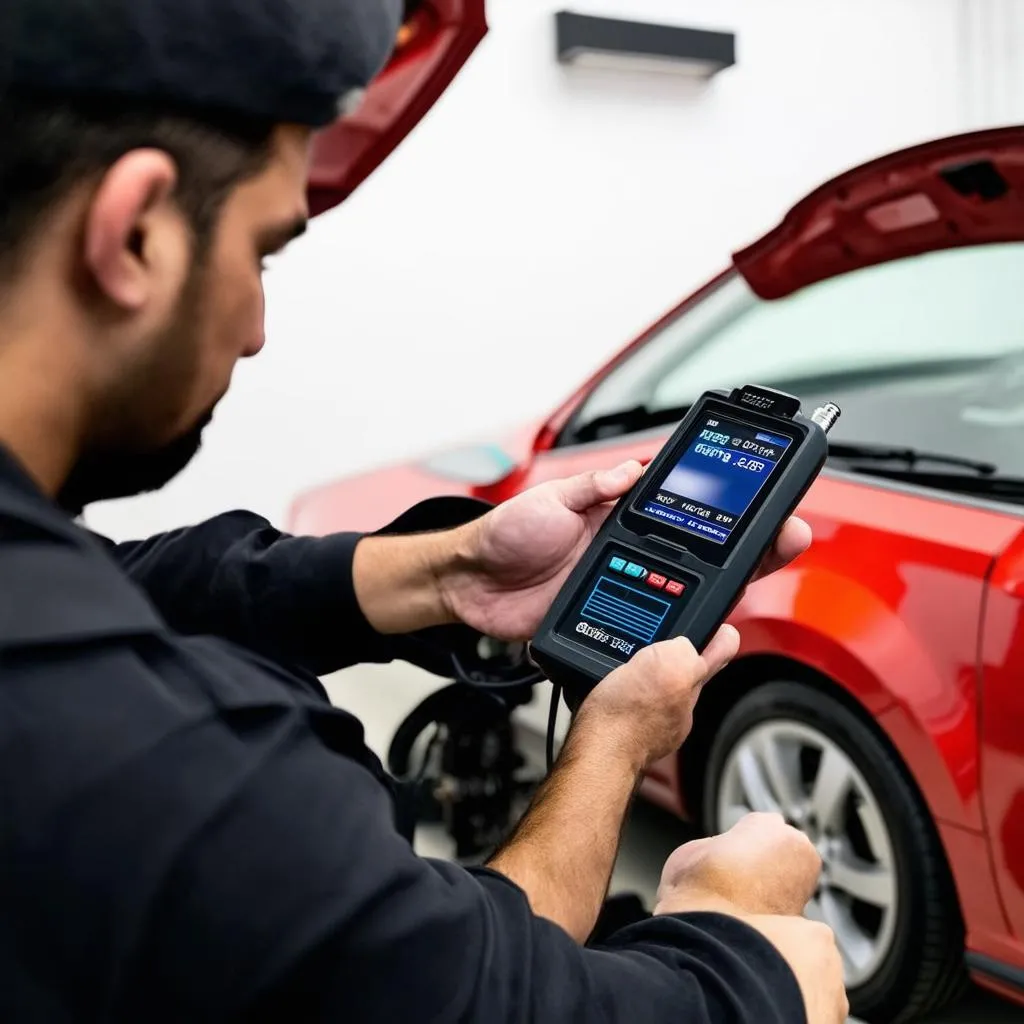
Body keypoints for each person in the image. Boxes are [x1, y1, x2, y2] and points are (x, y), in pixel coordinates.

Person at [0, 1, 848, 1022]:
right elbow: (476, 991)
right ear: (134, 232)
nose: (258, 327)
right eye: (263, 251)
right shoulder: (180, 778)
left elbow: (127, 581)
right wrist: (740, 954)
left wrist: (451, 570)